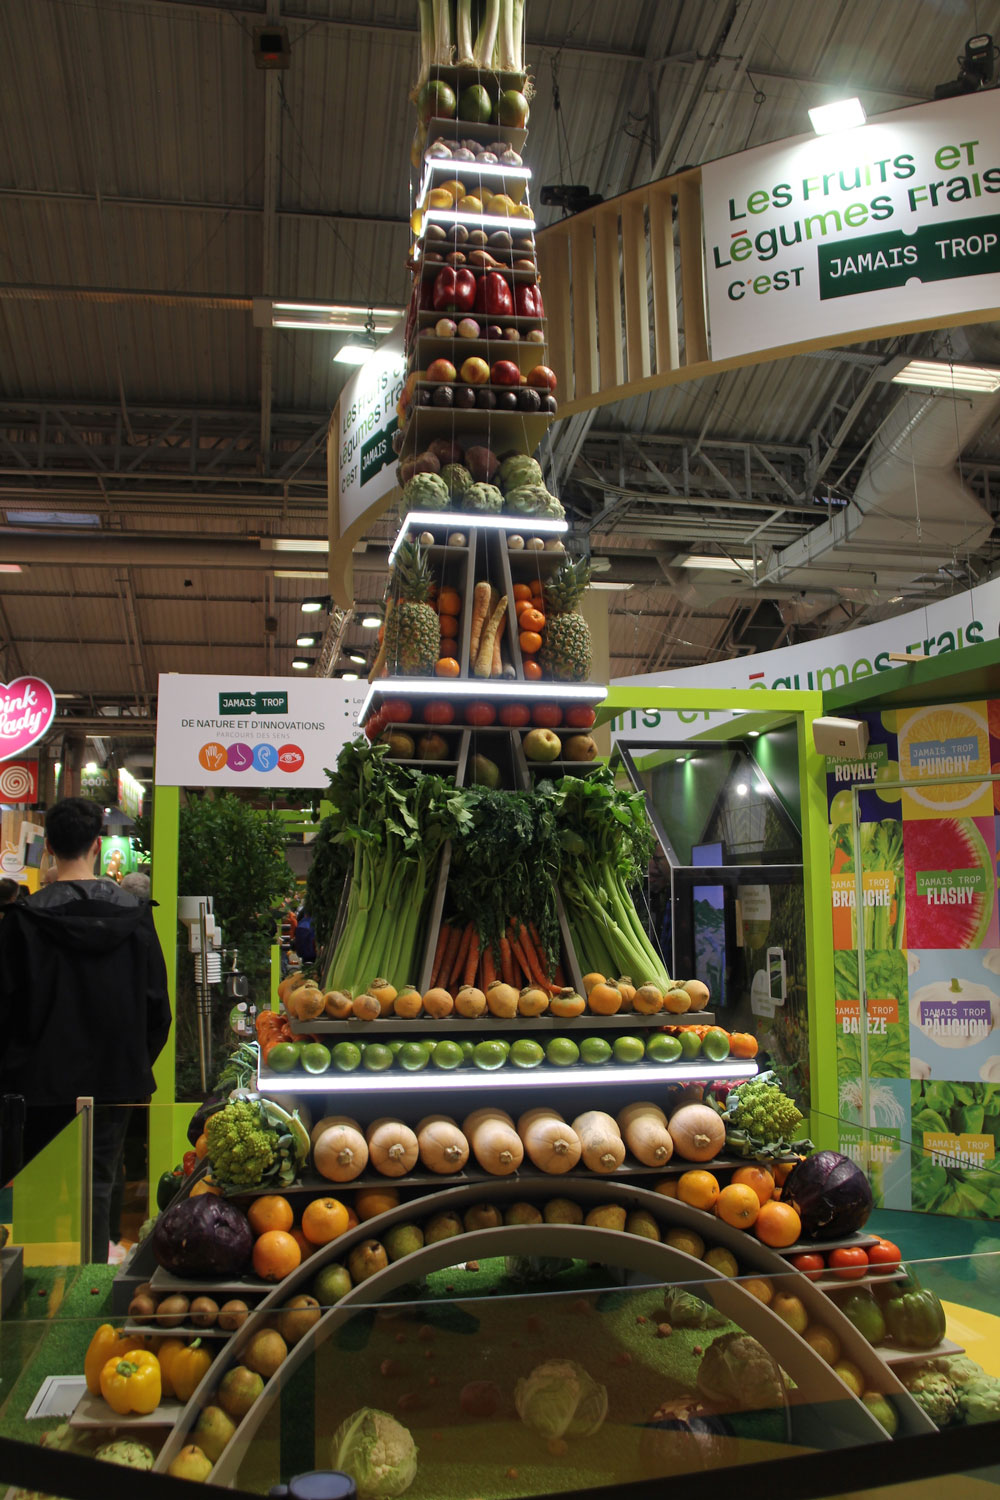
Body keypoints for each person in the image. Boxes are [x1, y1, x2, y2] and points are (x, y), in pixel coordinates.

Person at [0, 798, 171, 1262]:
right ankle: (93, 1292)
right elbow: (158, 1009)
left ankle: (33, 1306)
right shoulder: (136, 919)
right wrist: (133, 1064)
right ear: (98, 844)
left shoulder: (21, 922)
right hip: (114, 1083)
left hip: (37, 1085)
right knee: (100, 1185)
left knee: (36, 1191)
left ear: (50, 846)